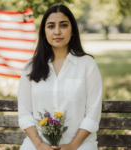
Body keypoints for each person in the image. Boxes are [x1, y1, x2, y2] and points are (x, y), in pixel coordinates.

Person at [17, 4, 102, 150]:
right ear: (44, 32)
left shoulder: (87, 64)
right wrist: (40, 144)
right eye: (51, 26)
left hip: (80, 145)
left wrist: (72, 146)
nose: (57, 32)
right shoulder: (31, 67)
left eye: (63, 25)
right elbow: (24, 113)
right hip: (38, 144)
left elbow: (93, 113)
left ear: (73, 30)